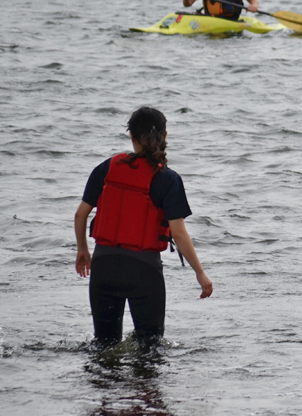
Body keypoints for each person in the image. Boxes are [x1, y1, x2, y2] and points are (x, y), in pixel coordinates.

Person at [74, 107, 213, 345]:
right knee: (150, 351)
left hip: (103, 267)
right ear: (164, 136)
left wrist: (83, 251)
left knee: (104, 349)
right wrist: (200, 273)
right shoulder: (168, 179)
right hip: (143, 272)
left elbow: (80, 215)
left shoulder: (108, 167)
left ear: (132, 137)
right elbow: (178, 234)